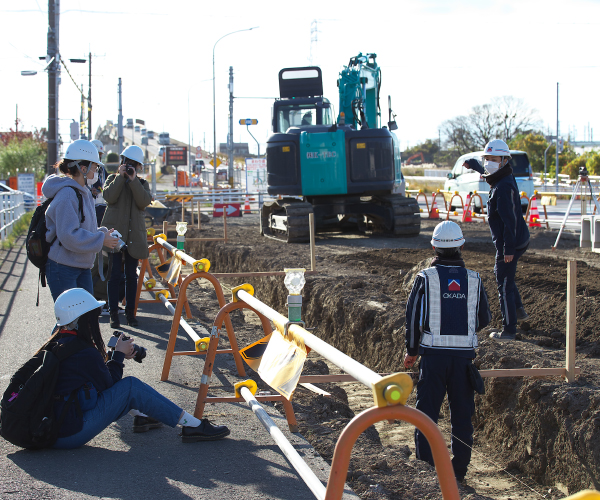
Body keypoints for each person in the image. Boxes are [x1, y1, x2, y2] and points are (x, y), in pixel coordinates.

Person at [50, 288, 230, 448]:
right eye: (93, 316)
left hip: (55, 424)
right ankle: (194, 426)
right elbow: (110, 385)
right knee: (130, 387)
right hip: (69, 432)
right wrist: (118, 355)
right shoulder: (83, 352)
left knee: (127, 391)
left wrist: (115, 355)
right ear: (82, 320)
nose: (96, 320)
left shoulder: (58, 340)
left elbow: (92, 376)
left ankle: (146, 415)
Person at [404, 221, 491, 484]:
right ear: (462, 245)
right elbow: (484, 318)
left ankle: (428, 469)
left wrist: (411, 351)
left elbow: (412, 318)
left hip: (433, 357)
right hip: (464, 358)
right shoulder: (474, 279)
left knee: (426, 413)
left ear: (433, 247)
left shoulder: (425, 277)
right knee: (462, 416)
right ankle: (459, 472)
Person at [463, 139, 530, 341]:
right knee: (506, 277)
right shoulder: (501, 176)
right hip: (514, 240)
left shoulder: (503, 186)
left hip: (512, 242)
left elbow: (510, 222)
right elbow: (487, 173)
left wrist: (507, 249)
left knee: (504, 283)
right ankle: (518, 311)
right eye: (487, 159)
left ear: (504, 160)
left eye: (494, 159)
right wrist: (473, 164)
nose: (489, 162)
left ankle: (509, 330)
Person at [42, 139, 119, 301]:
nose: (97, 171)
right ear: (83, 168)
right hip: (62, 267)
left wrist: (102, 233)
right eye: (95, 167)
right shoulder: (67, 194)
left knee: (86, 319)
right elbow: (69, 236)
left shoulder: (83, 193)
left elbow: (79, 231)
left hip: (80, 265)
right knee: (71, 322)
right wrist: (100, 239)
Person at [102, 145, 152, 328]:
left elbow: (144, 202)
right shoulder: (111, 179)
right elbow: (109, 197)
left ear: (138, 167)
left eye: (133, 164)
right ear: (121, 162)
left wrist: (133, 181)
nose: (129, 166)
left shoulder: (142, 184)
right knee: (114, 275)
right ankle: (113, 314)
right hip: (116, 235)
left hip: (134, 236)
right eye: (126, 162)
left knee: (132, 276)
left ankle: (131, 313)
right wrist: (119, 178)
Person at [90, 139, 109, 226]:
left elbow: (106, 185)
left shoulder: (102, 169)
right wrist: (89, 191)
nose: (99, 157)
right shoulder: (84, 170)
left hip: (102, 208)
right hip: (90, 209)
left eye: (100, 154)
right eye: (97, 154)